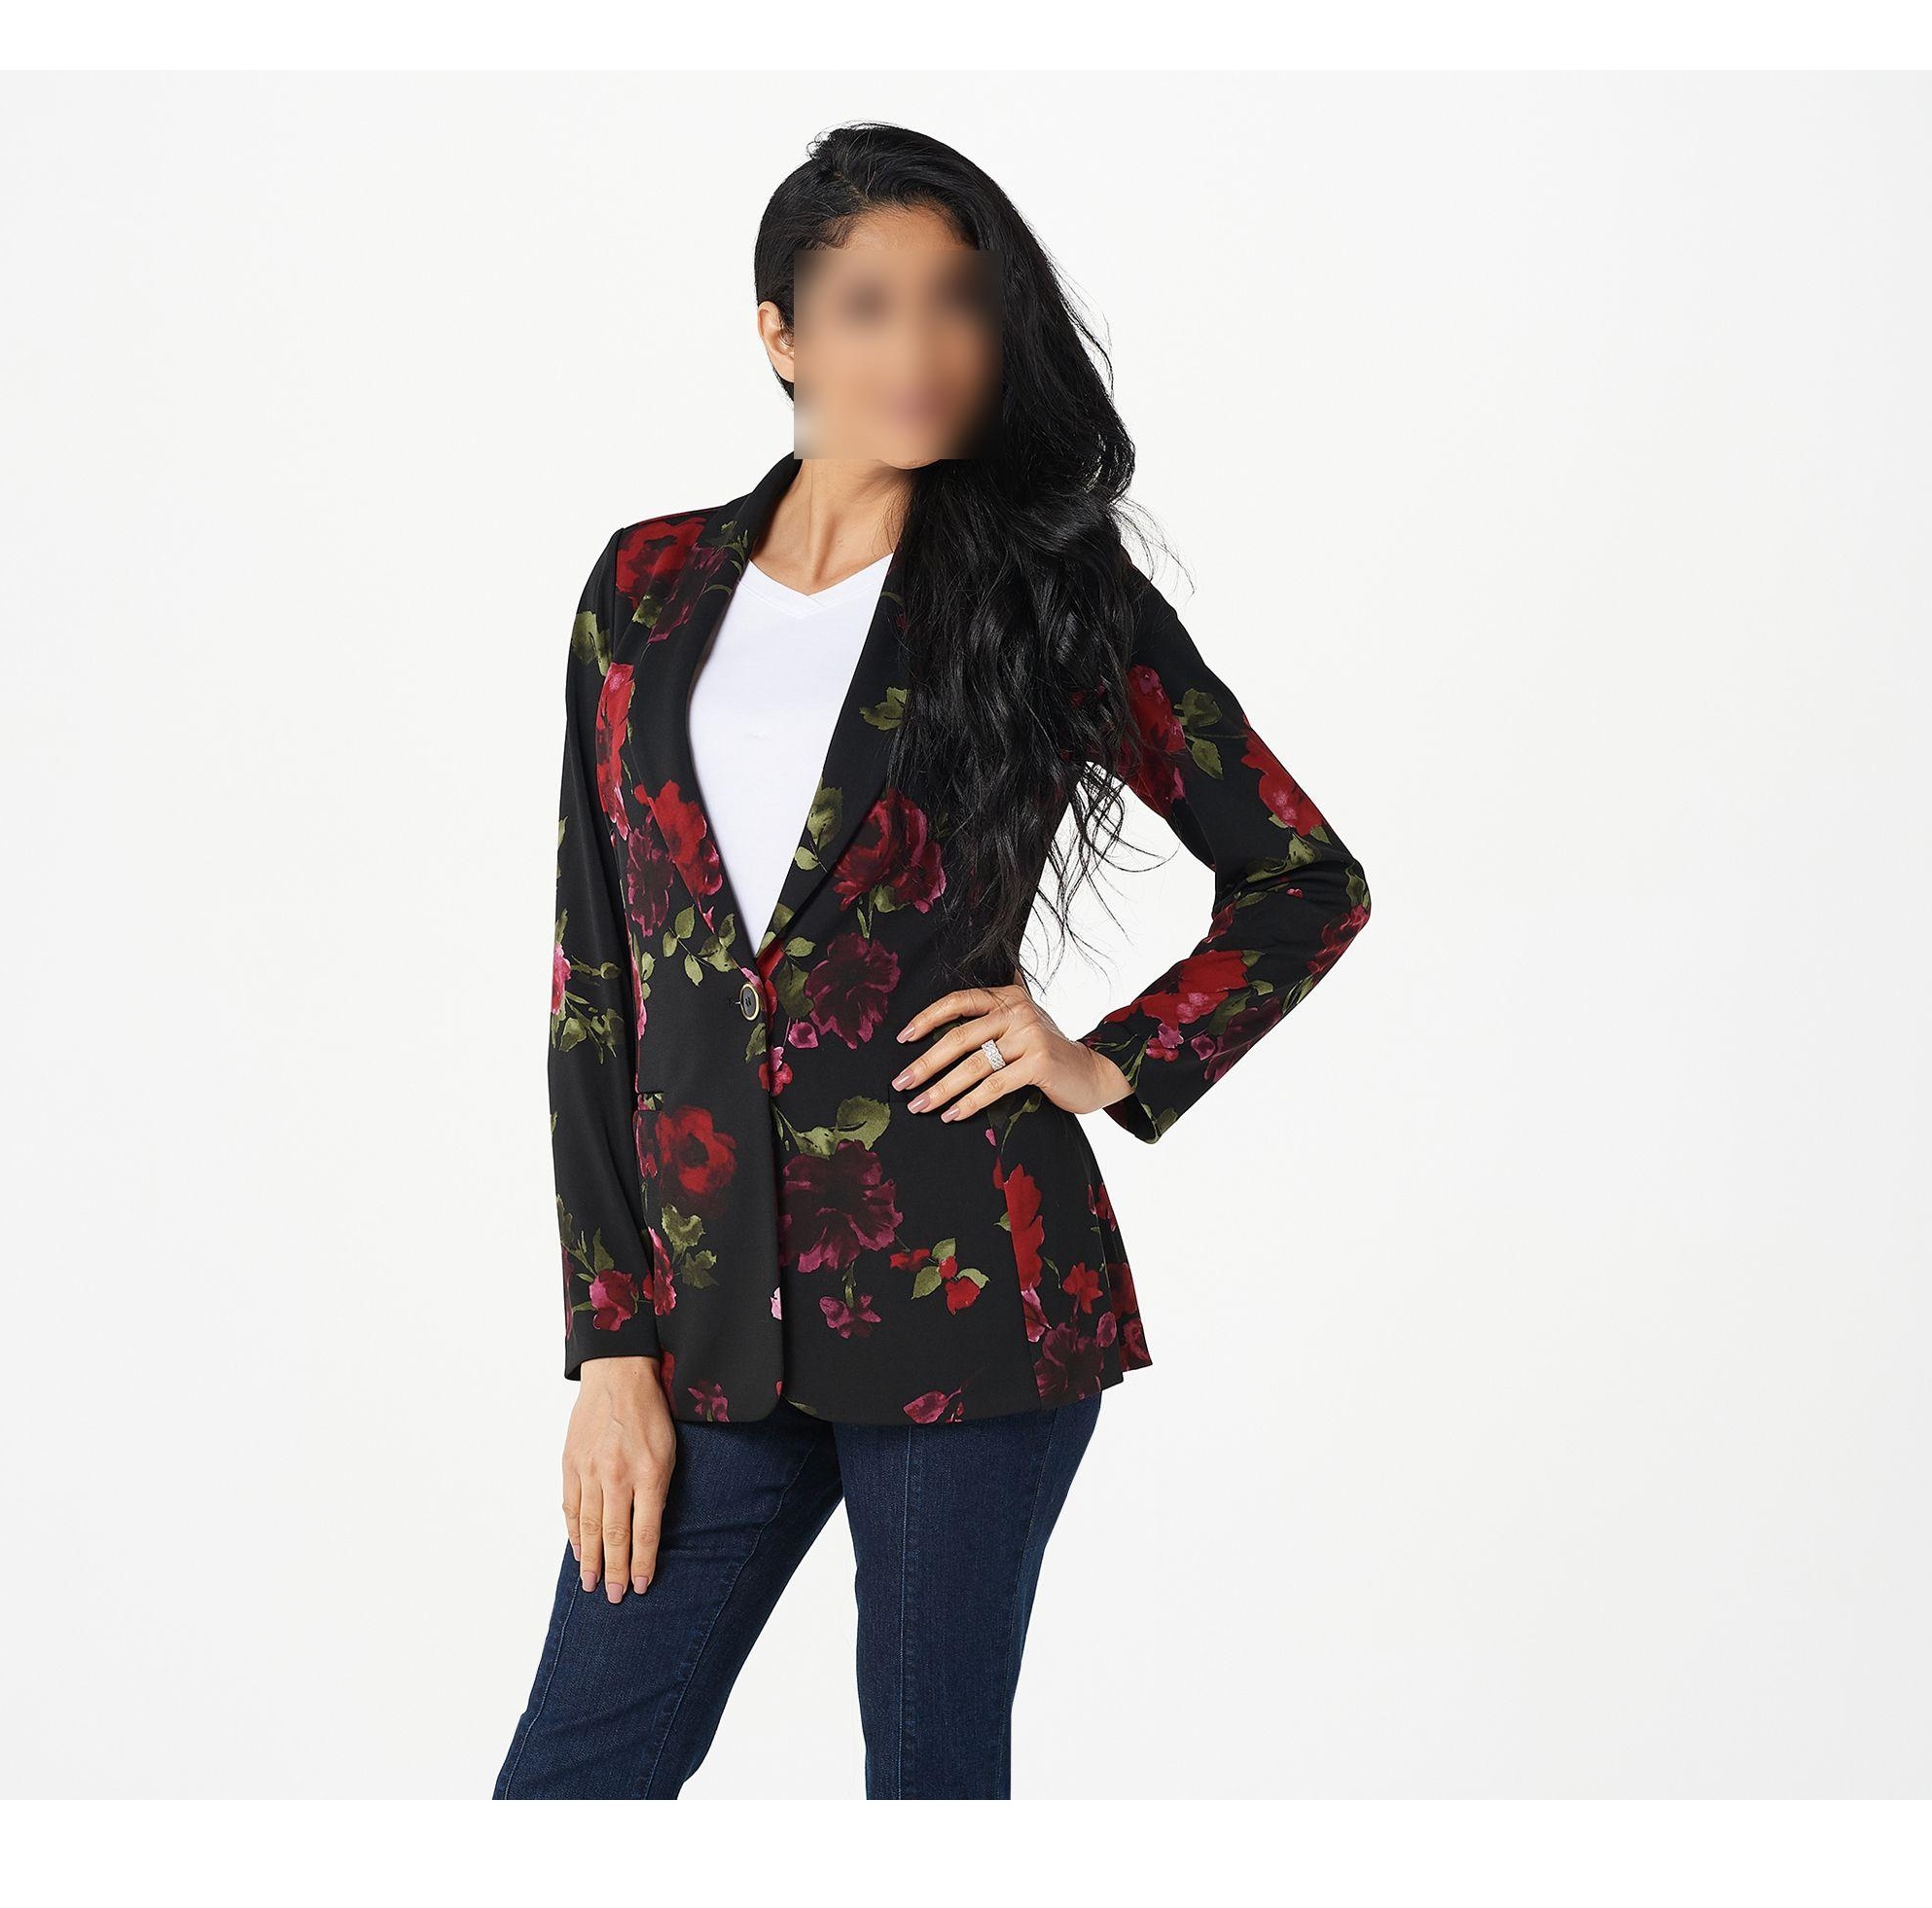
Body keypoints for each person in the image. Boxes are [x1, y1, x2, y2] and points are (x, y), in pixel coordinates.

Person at [494, 121, 1374, 1801]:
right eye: (868, 305)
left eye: (960, 300)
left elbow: (1301, 877)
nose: (922, 348)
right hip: (706, 1334)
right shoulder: (646, 589)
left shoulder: (1051, 593)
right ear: (780, 333)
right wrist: (610, 1346)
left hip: (971, 1298)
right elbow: (594, 985)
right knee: (570, 1784)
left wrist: (1109, 1058)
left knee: (930, 1787)